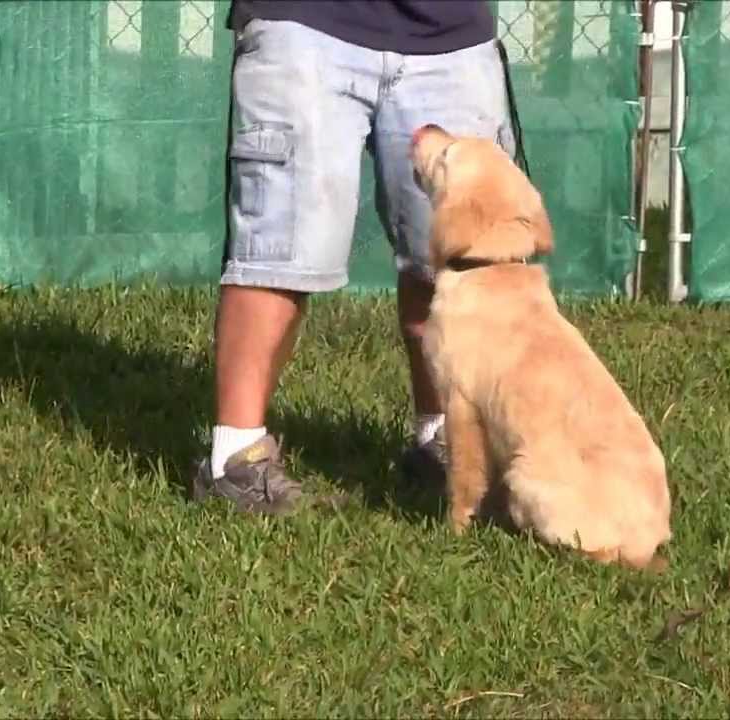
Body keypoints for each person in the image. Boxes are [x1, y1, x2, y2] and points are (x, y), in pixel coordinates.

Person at [192, 0, 519, 515]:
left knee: (453, 259)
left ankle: (444, 446)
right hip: (303, 20)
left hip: (450, 35)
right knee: (279, 249)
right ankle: (235, 461)